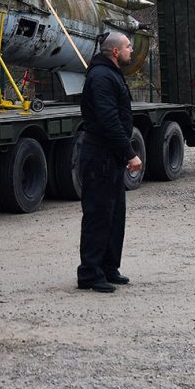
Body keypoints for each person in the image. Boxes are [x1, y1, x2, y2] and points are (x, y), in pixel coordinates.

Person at [75, 32, 142, 293]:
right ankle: (90, 273)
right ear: (115, 51)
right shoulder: (101, 76)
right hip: (99, 154)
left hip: (110, 155)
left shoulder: (111, 73)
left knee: (115, 214)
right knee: (98, 214)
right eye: (128, 47)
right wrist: (129, 153)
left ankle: (108, 267)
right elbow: (108, 119)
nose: (131, 51)